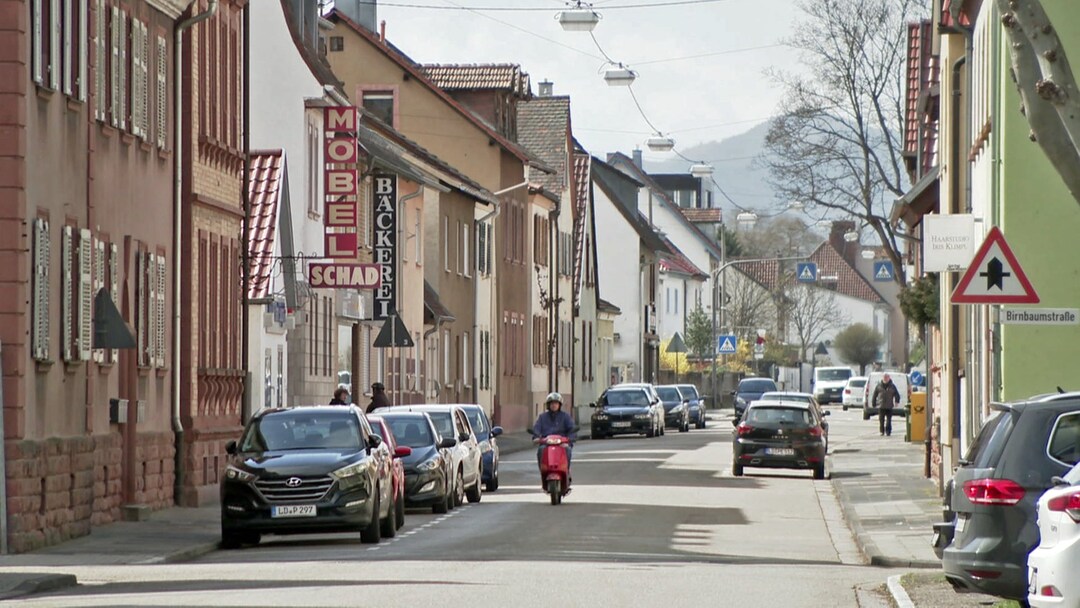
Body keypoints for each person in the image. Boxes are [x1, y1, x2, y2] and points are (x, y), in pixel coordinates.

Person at [532, 392, 577, 468]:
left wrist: (570, 439)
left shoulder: (565, 417)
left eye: (556, 403)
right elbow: (537, 428)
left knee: (567, 450)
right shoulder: (542, 417)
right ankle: (543, 471)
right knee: (541, 450)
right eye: (552, 403)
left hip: (561, 443)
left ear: (559, 405)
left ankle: (566, 470)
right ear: (548, 405)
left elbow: (572, 429)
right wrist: (536, 437)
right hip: (546, 443)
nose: (554, 405)